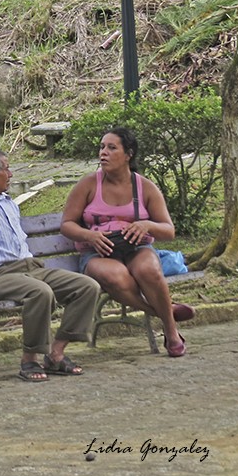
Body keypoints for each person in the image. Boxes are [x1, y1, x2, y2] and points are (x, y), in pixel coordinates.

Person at [0, 146, 101, 382]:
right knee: (41, 293)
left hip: (31, 268)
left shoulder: (8, 202)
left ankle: (56, 353)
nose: (10, 174)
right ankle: (29, 360)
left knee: (87, 286)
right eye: (7, 169)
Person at [60, 127, 194, 358]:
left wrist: (147, 225)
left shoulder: (145, 187)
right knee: (116, 276)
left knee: (149, 269)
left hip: (136, 248)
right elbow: (67, 224)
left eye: (112, 148)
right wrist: (90, 236)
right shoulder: (88, 184)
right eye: (102, 147)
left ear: (128, 154)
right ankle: (167, 315)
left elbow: (168, 230)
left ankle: (171, 333)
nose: (104, 153)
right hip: (98, 253)